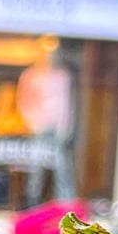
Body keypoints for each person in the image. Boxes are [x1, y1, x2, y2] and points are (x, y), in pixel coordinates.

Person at [15, 38, 77, 203]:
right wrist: (32, 123)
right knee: (36, 168)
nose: (50, 55)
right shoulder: (30, 76)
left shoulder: (63, 76)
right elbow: (23, 102)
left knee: (62, 168)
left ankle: (66, 204)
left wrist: (65, 127)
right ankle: (32, 202)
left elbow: (67, 103)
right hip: (38, 127)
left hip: (57, 129)